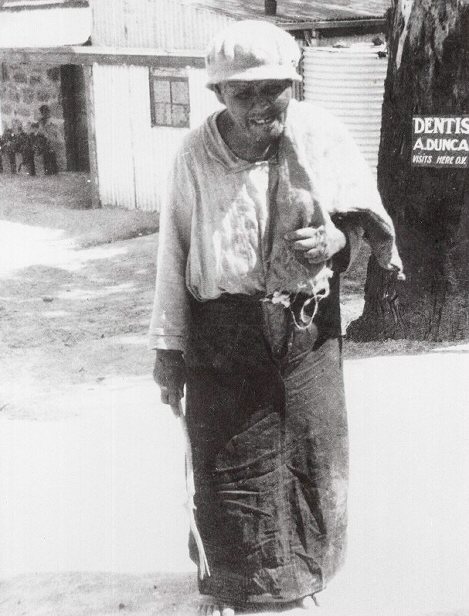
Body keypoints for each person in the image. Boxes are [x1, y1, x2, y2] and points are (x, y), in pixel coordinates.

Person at [150, 20, 402, 616]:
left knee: (310, 455)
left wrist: (335, 240)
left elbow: (359, 216)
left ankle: (302, 576)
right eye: (244, 92)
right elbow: (173, 253)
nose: (262, 104)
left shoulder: (320, 134)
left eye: (275, 89)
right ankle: (233, 586)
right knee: (230, 463)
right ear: (218, 93)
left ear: (295, 83)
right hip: (223, 335)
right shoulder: (194, 155)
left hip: (306, 329)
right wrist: (167, 348)